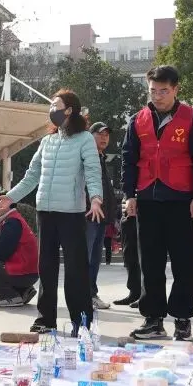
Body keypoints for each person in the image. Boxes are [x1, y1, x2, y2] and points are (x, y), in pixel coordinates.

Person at [0, 90, 104, 335]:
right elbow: (31, 176)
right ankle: (46, 319)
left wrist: (96, 199)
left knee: (76, 269)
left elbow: (92, 171)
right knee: (46, 267)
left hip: (71, 213)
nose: (51, 110)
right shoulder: (47, 141)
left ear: (69, 110)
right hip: (45, 211)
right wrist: (10, 198)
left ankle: (81, 321)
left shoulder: (85, 139)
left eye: (55, 105)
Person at [122, 65, 193, 341]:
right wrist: (129, 195)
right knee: (150, 262)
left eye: (163, 91)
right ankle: (153, 319)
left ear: (175, 89)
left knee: (184, 262)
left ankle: (182, 318)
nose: (158, 96)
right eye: (153, 91)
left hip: (181, 200)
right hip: (147, 199)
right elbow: (128, 159)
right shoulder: (138, 120)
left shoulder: (192, 118)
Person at [0, 197, 38, 307]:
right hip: (30, 271)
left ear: (8, 204)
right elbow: (1, 247)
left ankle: (10, 296)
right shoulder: (14, 219)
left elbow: (1, 253)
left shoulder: (11, 223)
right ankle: (24, 291)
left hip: (24, 272)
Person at [85, 123, 117, 310]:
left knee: (95, 257)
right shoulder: (87, 157)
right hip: (89, 215)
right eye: (100, 134)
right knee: (87, 257)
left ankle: (91, 294)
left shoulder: (101, 158)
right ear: (90, 136)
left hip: (101, 216)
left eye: (107, 134)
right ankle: (84, 295)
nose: (104, 137)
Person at [113, 202, 141, 308]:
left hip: (142, 212)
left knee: (141, 258)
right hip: (127, 215)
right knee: (129, 257)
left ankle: (144, 294)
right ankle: (134, 292)